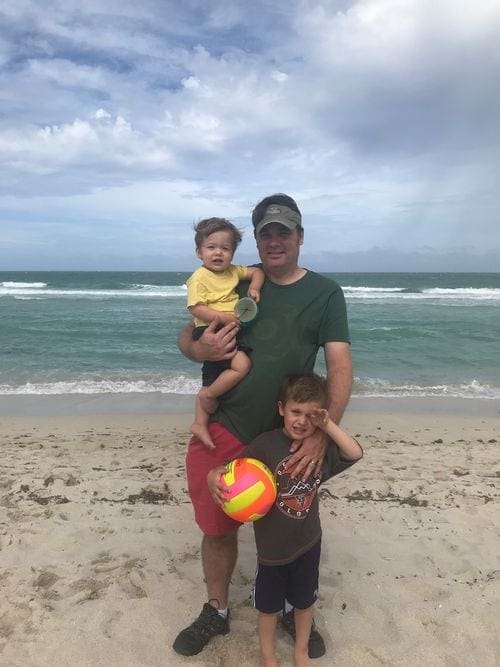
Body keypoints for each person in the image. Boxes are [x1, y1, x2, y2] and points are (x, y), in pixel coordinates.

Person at [173, 194, 353, 658]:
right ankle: (216, 609)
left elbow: (338, 368)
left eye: (283, 231)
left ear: (300, 237)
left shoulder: (325, 293)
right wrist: (199, 351)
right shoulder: (232, 277)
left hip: (284, 437)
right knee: (217, 527)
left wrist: (318, 432)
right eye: (265, 232)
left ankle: (296, 609)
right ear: (255, 238)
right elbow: (184, 335)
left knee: (293, 528)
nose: (274, 240)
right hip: (226, 425)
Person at [207, 373, 363, 666]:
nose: (302, 421)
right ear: (281, 409)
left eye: (310, 415)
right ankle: (268, 656)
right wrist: (213, 474)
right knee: (267, 609)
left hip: (308, 544)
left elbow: (355, 452)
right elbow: (232, 473)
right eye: (296, 412)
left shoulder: (319, 452)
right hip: (271, 552)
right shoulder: (265, 446)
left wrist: (327, 425)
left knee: (304, 604)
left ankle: (300, 652)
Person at [187, 217, 265, 448]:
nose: (218, 253)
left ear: (232, 252)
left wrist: (253, 287)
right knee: (242, 366)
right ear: (199, 252)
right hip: (209, 329)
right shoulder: (199, 277)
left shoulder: (232, 272)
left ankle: (199, 422)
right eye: (211, 247)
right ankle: (209, 396)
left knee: (211, 374)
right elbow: (195, 307)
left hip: (227, 327)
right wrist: (223, 317)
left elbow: (256, 273)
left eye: (225, 248)